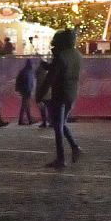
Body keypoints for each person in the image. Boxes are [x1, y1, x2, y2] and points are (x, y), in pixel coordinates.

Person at [43, 27, 84, 168]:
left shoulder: (61, 56)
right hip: (72, 93)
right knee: (61, 123)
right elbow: (62, 68)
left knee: (58, 126)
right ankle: (74, 148)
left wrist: (40, 94)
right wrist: (50, 65)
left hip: (60, 93)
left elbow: (52, 76)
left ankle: (61, 158)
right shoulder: (77, 55)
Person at [14, 55, 37, 126]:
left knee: (26, 105)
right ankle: (21, 120)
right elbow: (29, 82)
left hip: (24, 90)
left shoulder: (24, 71)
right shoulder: (29, 72)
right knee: (25, 105)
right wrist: (30, 90)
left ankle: (29, 119)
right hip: (26, 90)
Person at [33, 56, 52, 127]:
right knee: (49, 108)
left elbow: (36, 77)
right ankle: (51, 121)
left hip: (41, 93)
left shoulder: (38, 71)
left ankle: (44, 122)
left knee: (42, 109)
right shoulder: (48, 71)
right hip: (48, 92)